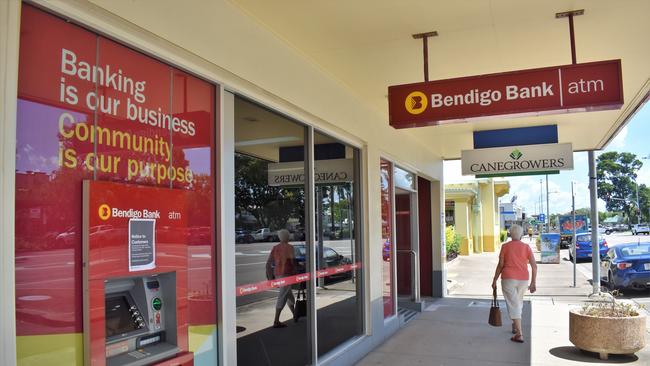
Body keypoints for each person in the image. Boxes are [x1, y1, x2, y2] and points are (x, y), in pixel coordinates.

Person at [491, 224, 537, 343]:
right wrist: (533, 282)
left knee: (513, 304)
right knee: (518, 303)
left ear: (510, 234)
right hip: (523, 280)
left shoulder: (505, 246)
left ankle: (519, 334)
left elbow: (501, 265)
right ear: (521, 235)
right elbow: (534, 265)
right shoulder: (526, 247)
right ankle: (515, 325)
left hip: (508, 279)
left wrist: (495, 279)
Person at [266, 229, 296, 328]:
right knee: (283, 296)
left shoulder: (275, 248)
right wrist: (297, 271)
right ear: (287, 237)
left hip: (278, 274)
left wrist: (270, 277)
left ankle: (295, 315)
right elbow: (292, 262)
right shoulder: (290, 247)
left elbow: (268, 263)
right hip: (287, 274)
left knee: (289, 295)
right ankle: (276, 320)